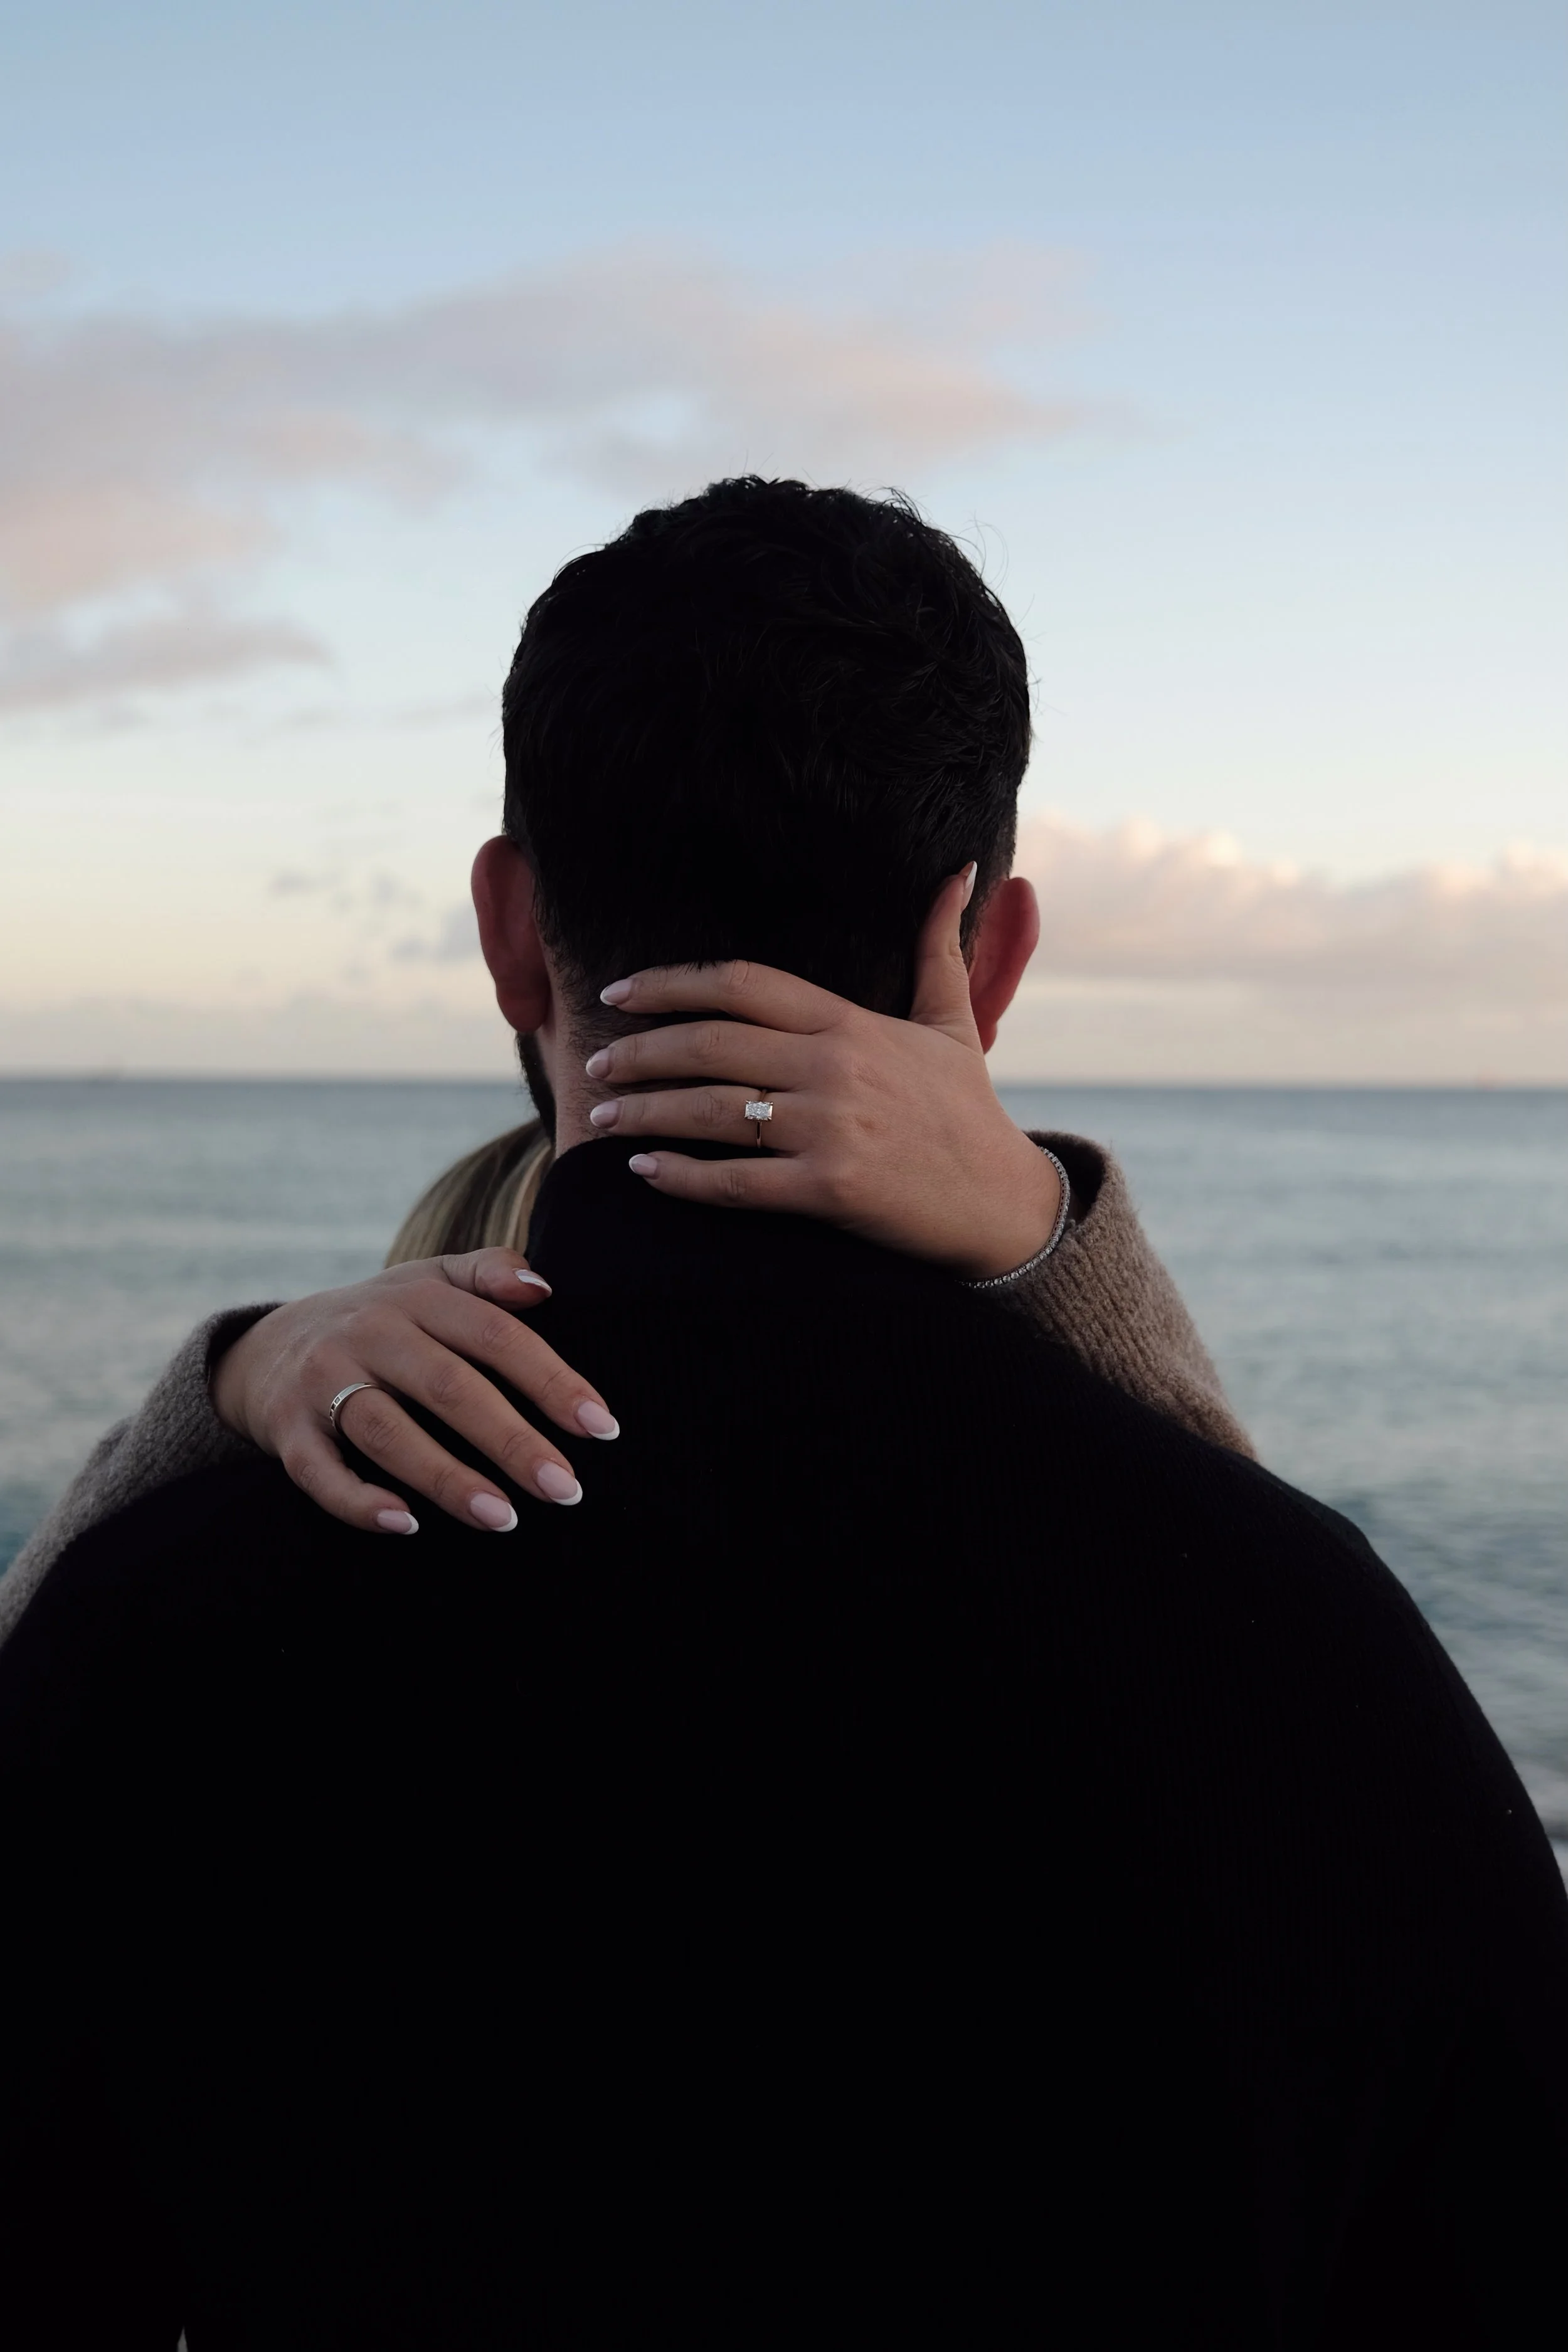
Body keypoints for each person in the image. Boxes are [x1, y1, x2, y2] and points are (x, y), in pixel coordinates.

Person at [1, 479, 1563, 2348]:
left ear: (508, 929)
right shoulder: (1307, 1652)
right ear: (985, 956)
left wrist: (228, 1381)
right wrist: (1053, 1241)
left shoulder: (160, 1623)